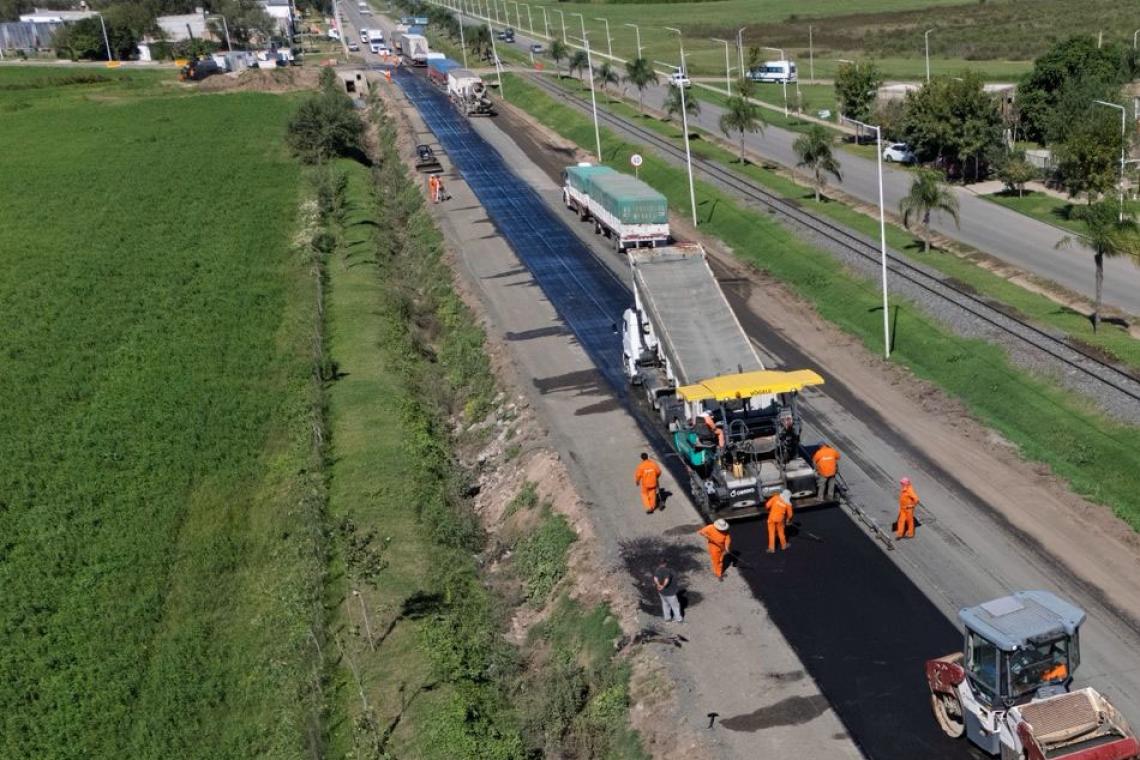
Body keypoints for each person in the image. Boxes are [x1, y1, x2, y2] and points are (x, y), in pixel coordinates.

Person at [765, 488, 794, 553]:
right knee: (781, 532)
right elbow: (790, 515)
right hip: (780, 519)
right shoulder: (788, 504)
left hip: (771, 518)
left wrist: (770, 510)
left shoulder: (776, 497)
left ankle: (771, 548)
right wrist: (788, 520)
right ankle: (784, 545)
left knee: (771, 533)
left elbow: (767, 505)